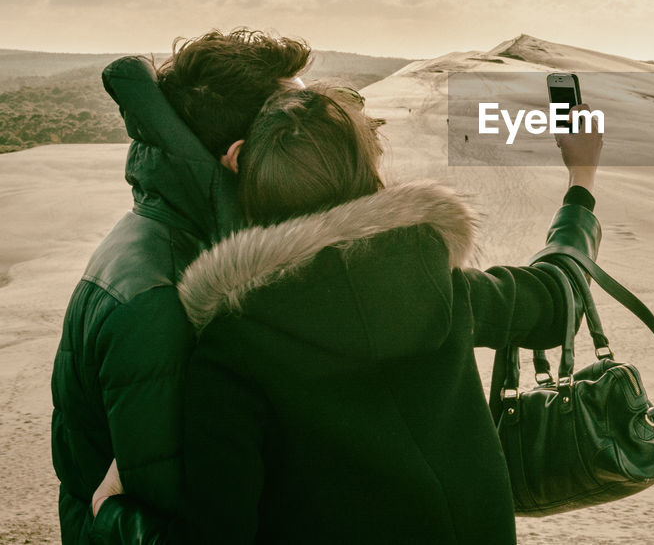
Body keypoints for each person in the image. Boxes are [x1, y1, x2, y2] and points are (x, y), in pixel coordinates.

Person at [91, 84, 605, 544]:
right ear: (369, 177)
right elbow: (557, 299)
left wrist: (112, 514)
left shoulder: (233, 346)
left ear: (238, 163)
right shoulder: (436, 283)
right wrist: (582, 175)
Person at [50, 30, 311, 545]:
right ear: (239, 157)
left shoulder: (180, 242)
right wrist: (108, 519)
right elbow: (183, 519)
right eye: (296, 133)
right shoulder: (164, 297)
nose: (312, 147)